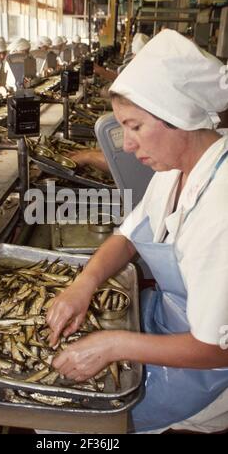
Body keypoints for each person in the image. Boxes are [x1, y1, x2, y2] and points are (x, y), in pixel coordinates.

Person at [46, 29, 228, 433]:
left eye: (135, 127)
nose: (126, 146)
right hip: (167, 323)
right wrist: (85, 282)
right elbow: (128, 235)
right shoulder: (176, 165)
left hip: (205, 374)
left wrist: (114, 345)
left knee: (73, 427)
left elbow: (217, 349)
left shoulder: (222, 211)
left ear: (179, 118)